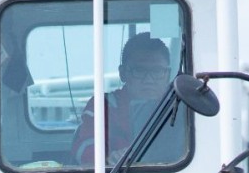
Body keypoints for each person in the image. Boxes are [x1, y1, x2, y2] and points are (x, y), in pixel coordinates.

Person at [70, 32, 185, 166]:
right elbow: (84, 147)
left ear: (168, 74)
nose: (149, 79)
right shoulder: (104, 106)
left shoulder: (180, 107)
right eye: (139, 70)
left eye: (157, 71)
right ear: (122, 73)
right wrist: (109, 157)